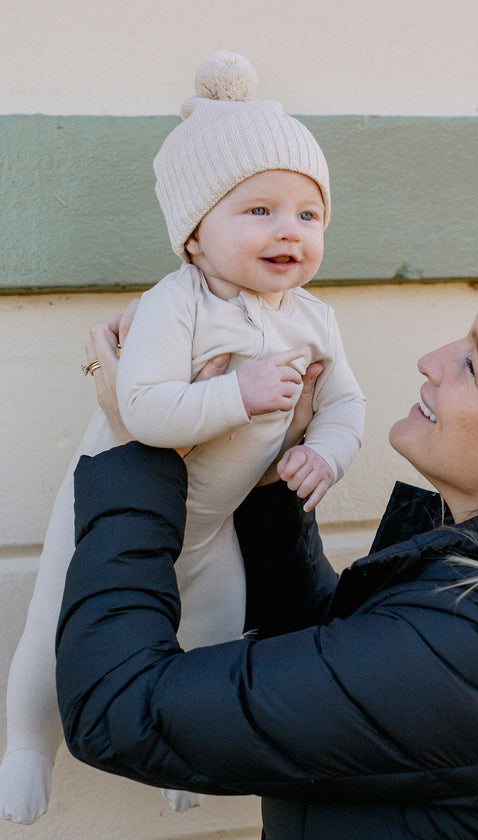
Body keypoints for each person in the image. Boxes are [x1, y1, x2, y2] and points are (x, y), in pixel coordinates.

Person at [55, 254, 478, 838]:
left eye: (472, 364)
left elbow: (119, 707)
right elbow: (333, 666)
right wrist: (269, 483)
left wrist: (142, 449)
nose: (431, 361)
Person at [0, 51, 365, 824]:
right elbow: (147, 410)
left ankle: (185, 755)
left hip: (211, 523)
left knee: (217, 623)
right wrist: (241, 391)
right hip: (119, 498)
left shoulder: (314, 317)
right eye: (258, 210)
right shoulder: (178, 303)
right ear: (194, 234)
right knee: (53, 618)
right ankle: (27, 746)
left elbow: (347, 404)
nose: (289, 231)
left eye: (309, 213)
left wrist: (324, 451)